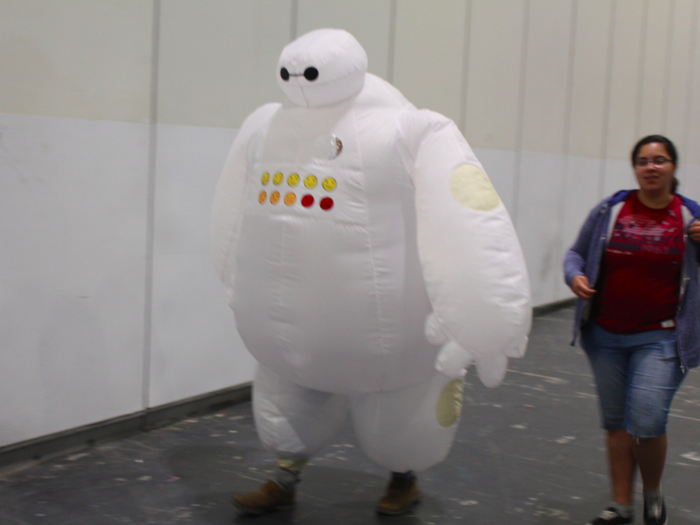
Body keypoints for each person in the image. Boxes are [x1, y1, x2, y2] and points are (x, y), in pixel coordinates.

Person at [564, 135, 700, 525]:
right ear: (635, 168)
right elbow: (575, 254)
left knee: (645, 420)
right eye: (643, 160)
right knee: (616, 422)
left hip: (662, 337)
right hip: (604, 336)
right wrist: (574, 276)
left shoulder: (690, 218)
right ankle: (621, 505)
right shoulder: (611, 210)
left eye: (659, 160)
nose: (651, 167)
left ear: (673, 167)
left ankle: (653, 494)